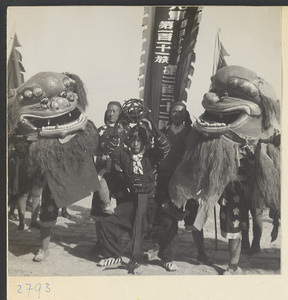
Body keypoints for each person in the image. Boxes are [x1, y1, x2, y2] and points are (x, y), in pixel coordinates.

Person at [97, 113, 170, 273]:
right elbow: (111, 148)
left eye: (139, 140)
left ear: (144, 141)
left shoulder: (151, 157)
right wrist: (118, 129)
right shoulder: (125, 158)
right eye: (133, 140)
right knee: (107, 222)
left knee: (169, 224)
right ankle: (114, 255)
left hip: (151, 201)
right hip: (133, 201)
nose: (136, 143)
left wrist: (153, 127)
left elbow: (164, 147)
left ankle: (166, 258)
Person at [151, 102, 209, 271]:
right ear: (170, 114)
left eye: (180, 112)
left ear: (186, 114)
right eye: (174, 112)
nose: (176, 114)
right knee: (164, 217)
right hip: (165, 180)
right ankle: (158, 249)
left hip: (186, 182)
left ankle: (201, 252)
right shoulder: (163, 133)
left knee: (193, 217)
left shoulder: (192, 133)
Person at [90, 101, 128, 253]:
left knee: (122, 207)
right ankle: (100, 242)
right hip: (102, 174)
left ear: (119, 114)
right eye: (109, 110)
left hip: (119, 176)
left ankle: (117, 240)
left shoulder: (125, 131)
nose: (111, 113)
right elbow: (94, 150)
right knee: (100, 209)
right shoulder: (100, 131)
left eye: (114, 111)